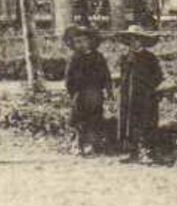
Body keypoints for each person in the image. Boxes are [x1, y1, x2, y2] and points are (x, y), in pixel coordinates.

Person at [114, 25, 164, 163]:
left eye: (137, 39)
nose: (134, 42)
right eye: (131, 39)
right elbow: (123, 75)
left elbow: (158, 76)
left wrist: (148, 88)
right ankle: (132, 151)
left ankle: (146, 152)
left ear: (142, 41)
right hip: (128, 96)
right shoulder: (125, 57)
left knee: (146, 122)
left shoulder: (150, 57)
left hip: (145, 96)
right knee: (129, 123)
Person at [62, 25, 111, 156]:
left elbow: (106, 75)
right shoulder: (74, 58)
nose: (81, 44)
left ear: (91, 41)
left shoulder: (98, 57)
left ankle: (92, 145)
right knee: (79, 120)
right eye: (77, 42)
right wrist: (72, 92)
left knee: (95, 118)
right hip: (80, 93)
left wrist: (108, 90)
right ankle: (78, 144)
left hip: (95, 92)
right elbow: (69, 77)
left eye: (84, 41)